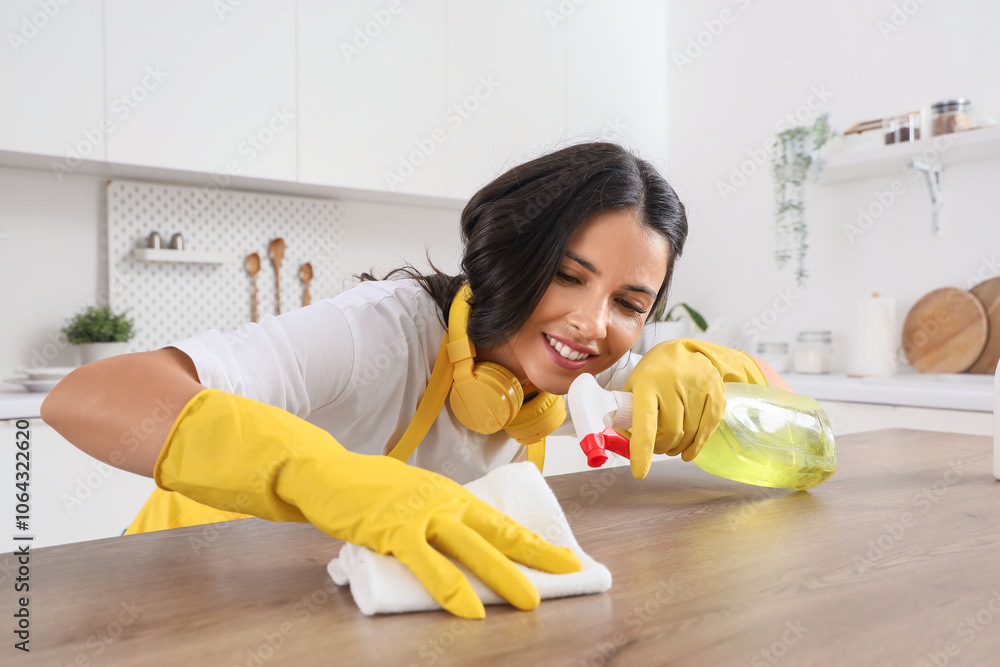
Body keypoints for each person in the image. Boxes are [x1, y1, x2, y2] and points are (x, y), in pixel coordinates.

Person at [41, 142, 788, 620]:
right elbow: (86, 396)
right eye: (567, 276)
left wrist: (708, 368)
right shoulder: (379, 333)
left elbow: (791, 418)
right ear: (508, 256)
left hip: (336, 619)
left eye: (630, 302)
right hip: (189, 601)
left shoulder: (585, 369)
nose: (593, 323)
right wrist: (323, 475)